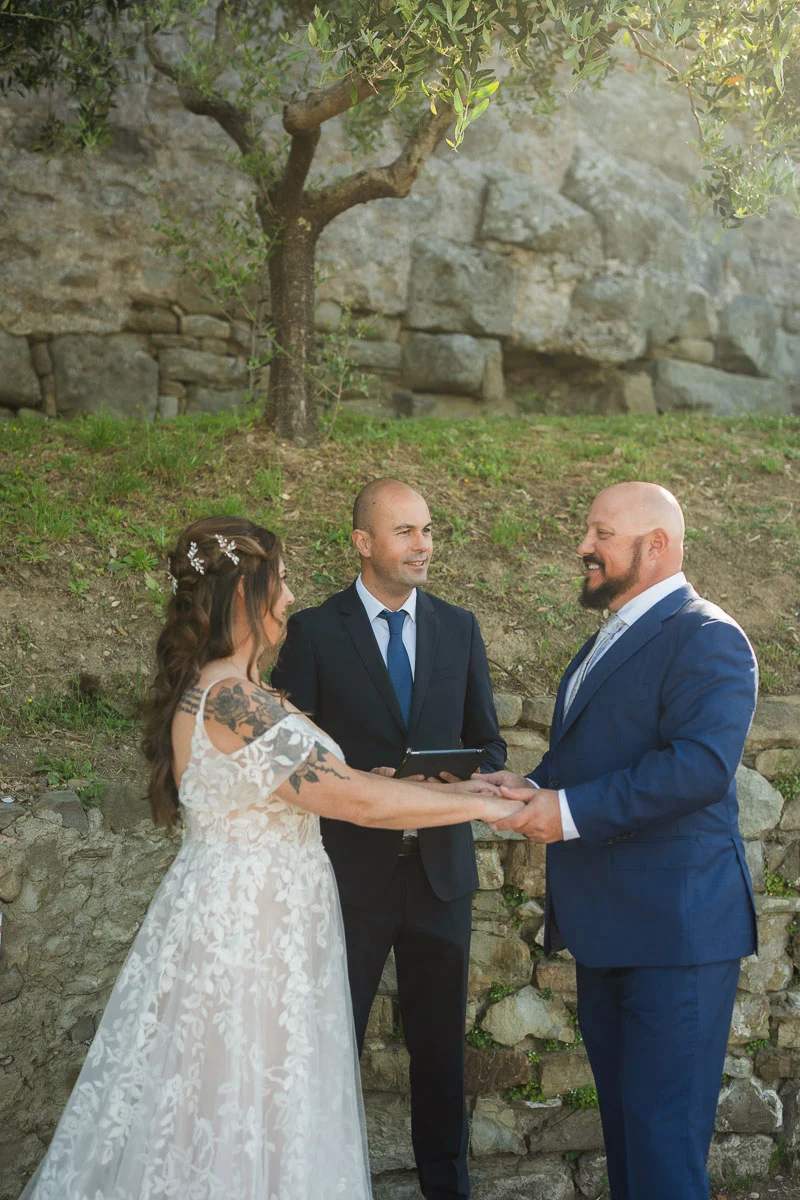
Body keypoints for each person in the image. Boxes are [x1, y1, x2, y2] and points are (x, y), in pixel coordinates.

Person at [20, 515, 519, 1200]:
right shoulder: (229, 699)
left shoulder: (243, 692)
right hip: (244, 934)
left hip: (274, 920)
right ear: (245, 597)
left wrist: (469, 784)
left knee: (264, 1107)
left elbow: (360, 785)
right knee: (234, 1105)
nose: (289, 596)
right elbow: (351, 800)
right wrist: (485, 809)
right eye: (279, 582)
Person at [474, 481, 758, 1200]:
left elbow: (697, 767)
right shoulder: (611, 636)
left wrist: (565, 812)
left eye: (600, 533)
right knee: (631, 1135)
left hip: (678, 934)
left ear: (655, 545)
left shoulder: (710, 636)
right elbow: (594, 757)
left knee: (664, 1146)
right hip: (613, 930)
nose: (583, 547)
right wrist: (530, 787)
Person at [272, 479, 506, 1200]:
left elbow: (489, 747)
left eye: (428, 531)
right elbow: (289, 754)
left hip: (441, 875)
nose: (423, 546)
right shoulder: (313, 630)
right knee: (327, 1044)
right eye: (405, 532)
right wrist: (352, 781)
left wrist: (456, 782)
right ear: (363, 542)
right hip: (349, 875)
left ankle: (448, 1190)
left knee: (441, 1056)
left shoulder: (459, 627)